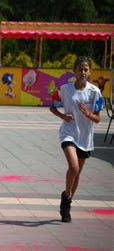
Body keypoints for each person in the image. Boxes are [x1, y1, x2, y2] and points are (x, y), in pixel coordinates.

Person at [49, 56, 103, 223]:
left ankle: (67, 200)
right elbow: (52, 106)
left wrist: (88, 114)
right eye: (80, 69)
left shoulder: (95, 92)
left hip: (85, 137)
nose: (83, 72)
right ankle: (66, 200)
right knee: (73, 167)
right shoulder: (64, 89)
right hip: (68, 133)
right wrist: (62, 116)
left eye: (86, 69)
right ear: (74, 71)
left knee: (77, 173)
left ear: (90, 72)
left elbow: (98, 119)